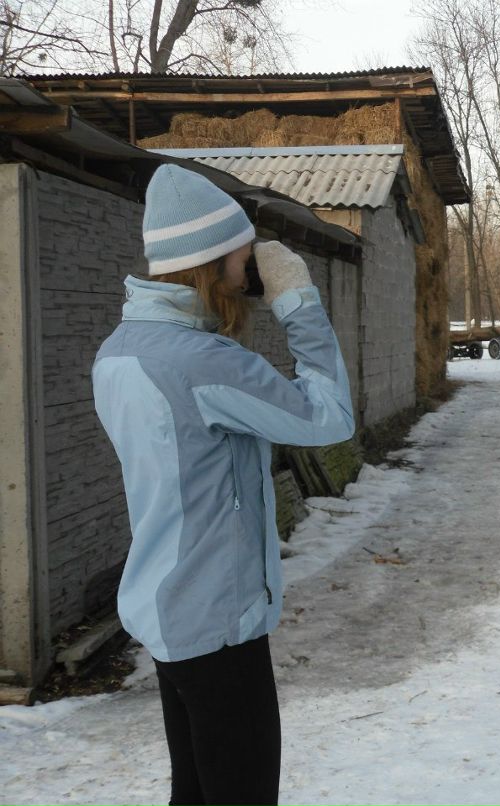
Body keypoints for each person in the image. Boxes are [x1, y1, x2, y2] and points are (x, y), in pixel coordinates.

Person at [92, 164, 354, 806]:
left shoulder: (121, 351)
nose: (251, 273)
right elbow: (330, 417)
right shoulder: (207, 365)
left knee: (198, 791)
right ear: (213, 266)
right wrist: (297, 301)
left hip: (167, 608)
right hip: (219, 621)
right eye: (243, 259)